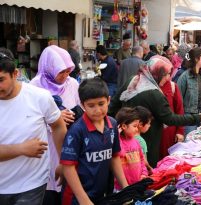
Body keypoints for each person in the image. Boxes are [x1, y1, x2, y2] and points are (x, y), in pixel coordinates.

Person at [109, 57, 201, 167]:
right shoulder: (154, 94)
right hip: (148, 142)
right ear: (156, 73)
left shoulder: (133, 80)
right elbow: (170, 119)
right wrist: (197, 117)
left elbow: (113, 104)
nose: (168, 78)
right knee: (144, 171)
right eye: (166, 74)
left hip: (124, 140)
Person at [0, 49, 67, 205]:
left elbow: (58, 126)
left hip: (32, 183)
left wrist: (64, 161)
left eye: (1, 79)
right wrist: (21, 149)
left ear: (15, 74)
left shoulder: (39, 97)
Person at [60, 78, 128, 205]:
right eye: (91, 106)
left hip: (102, 194)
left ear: (108, 100)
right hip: (77, 198)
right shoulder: (77, 131)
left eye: (101, 104)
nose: (97, 110)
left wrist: (126, 188)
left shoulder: (112, 124)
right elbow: (68, 167)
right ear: (82, 105)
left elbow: (114, 157)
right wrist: (83, 199)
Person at [30, 45, 80, 205]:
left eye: (68, 71)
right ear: (49, 68)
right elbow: (30, 118)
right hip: (46, 144)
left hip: (68, 143)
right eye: (61, 71)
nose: (65, 75)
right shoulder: (34, 86)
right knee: (48, 188)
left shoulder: (72, 84)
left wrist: (74, 114)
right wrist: (56, 118)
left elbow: (82, 107)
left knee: (67, 187)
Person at [151, 55, 185, 159]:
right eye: (164, 74)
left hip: (169, 135)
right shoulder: (146, 86)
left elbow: (179, 109)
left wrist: (180, 131)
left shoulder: (172, 86)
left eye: (169, 74)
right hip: (151, 134)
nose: (167, 77)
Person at [114, 107, 148, 189]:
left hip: (137, 184)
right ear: (124, 126)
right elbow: (120, 153)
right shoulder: (117, 141)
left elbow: (142, 159)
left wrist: (144, 174)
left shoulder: (136, 141)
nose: (137, 129)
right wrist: (117, 136)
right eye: (135, 126)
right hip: (121, 188)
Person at [135, 106, 153, 174]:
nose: (149, 126)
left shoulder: (127, 138)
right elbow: (144, 161)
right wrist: (150, 168)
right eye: (148, 123)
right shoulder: (140, 141)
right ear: (140, 124)